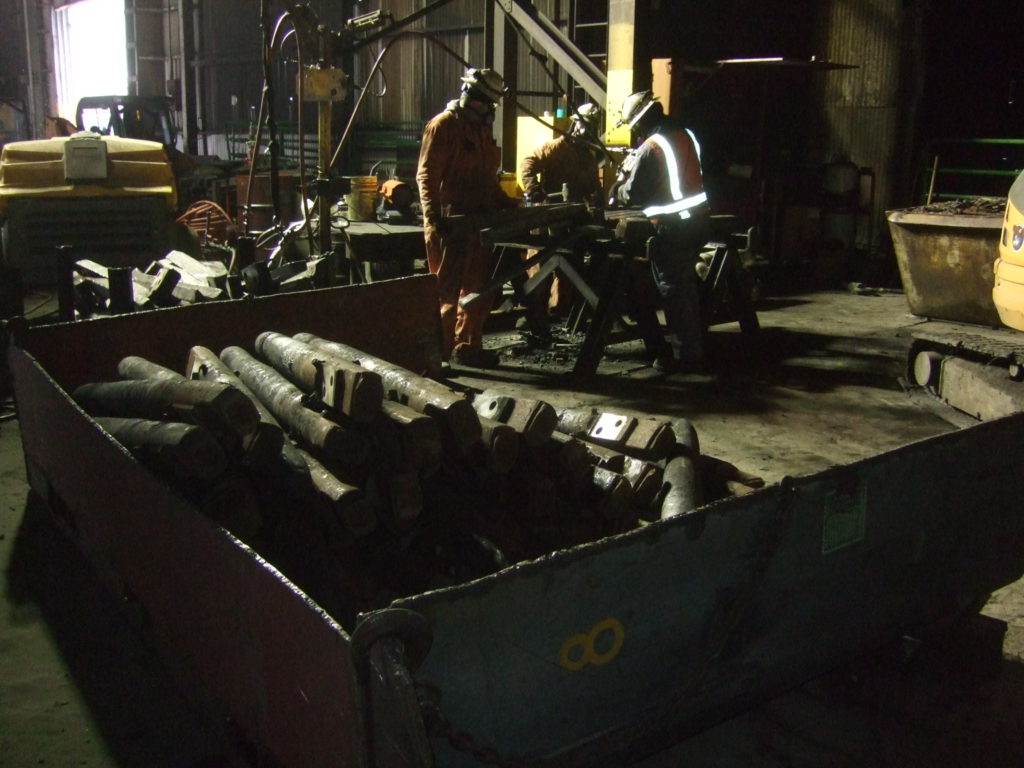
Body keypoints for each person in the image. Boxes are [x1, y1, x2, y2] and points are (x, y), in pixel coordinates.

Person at [416, 67, 519, 369]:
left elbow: (487, 178)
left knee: (479, 291)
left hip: (478, 223)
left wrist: (506, 203)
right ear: (473, 99)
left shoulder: (480, 129)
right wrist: (434, 216)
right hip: (450, 222)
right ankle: (440, 355)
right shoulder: (443, 126)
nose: (489, 110)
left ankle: (468, 347)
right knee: (446, 295)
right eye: (486, 103)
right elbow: (427, 174)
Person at [609, 90, 710, 373]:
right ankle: (692, 347)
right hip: (698, 221)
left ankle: (685, 357)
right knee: (686, 288)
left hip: (673, 227)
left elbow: (634, 192)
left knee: (674, 292)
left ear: (641, 121)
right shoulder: (686, 134)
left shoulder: (651, 147)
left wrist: (619, 186)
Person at [517, 104, 604, 330]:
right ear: (576, 124)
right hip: (548, 219)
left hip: (573, 220)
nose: (587, 132)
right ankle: (534, 313)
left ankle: (558, 312)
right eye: (586, 126)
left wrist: (598, 203)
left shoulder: (588, 157)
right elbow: (527, 163)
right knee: (540, 265)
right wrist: (532, 188)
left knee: (569, 268)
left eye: (592, 127)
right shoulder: (554, 148)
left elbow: (594, 187)